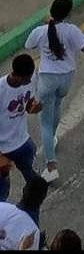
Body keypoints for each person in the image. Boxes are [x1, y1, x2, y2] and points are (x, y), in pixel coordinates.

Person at [24, 0, 84, 182]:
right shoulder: (72, 31)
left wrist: (47, 24)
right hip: (66, 78)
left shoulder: (42, 31)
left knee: (44, 121)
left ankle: (51, 166)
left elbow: (28, 45)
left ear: (51, 11)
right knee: (58, 106)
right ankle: (51, 140)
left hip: (47, 80)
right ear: (68, 13)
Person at [0, 55, 41, 204]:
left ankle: (31, 205)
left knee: (32, 175)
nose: (30, 81)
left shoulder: (31, 79)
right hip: (3, 148)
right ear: (16, 76)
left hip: (23, 141)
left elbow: (29, 104)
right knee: (2, 189)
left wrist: (35, 108)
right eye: (26, 79)